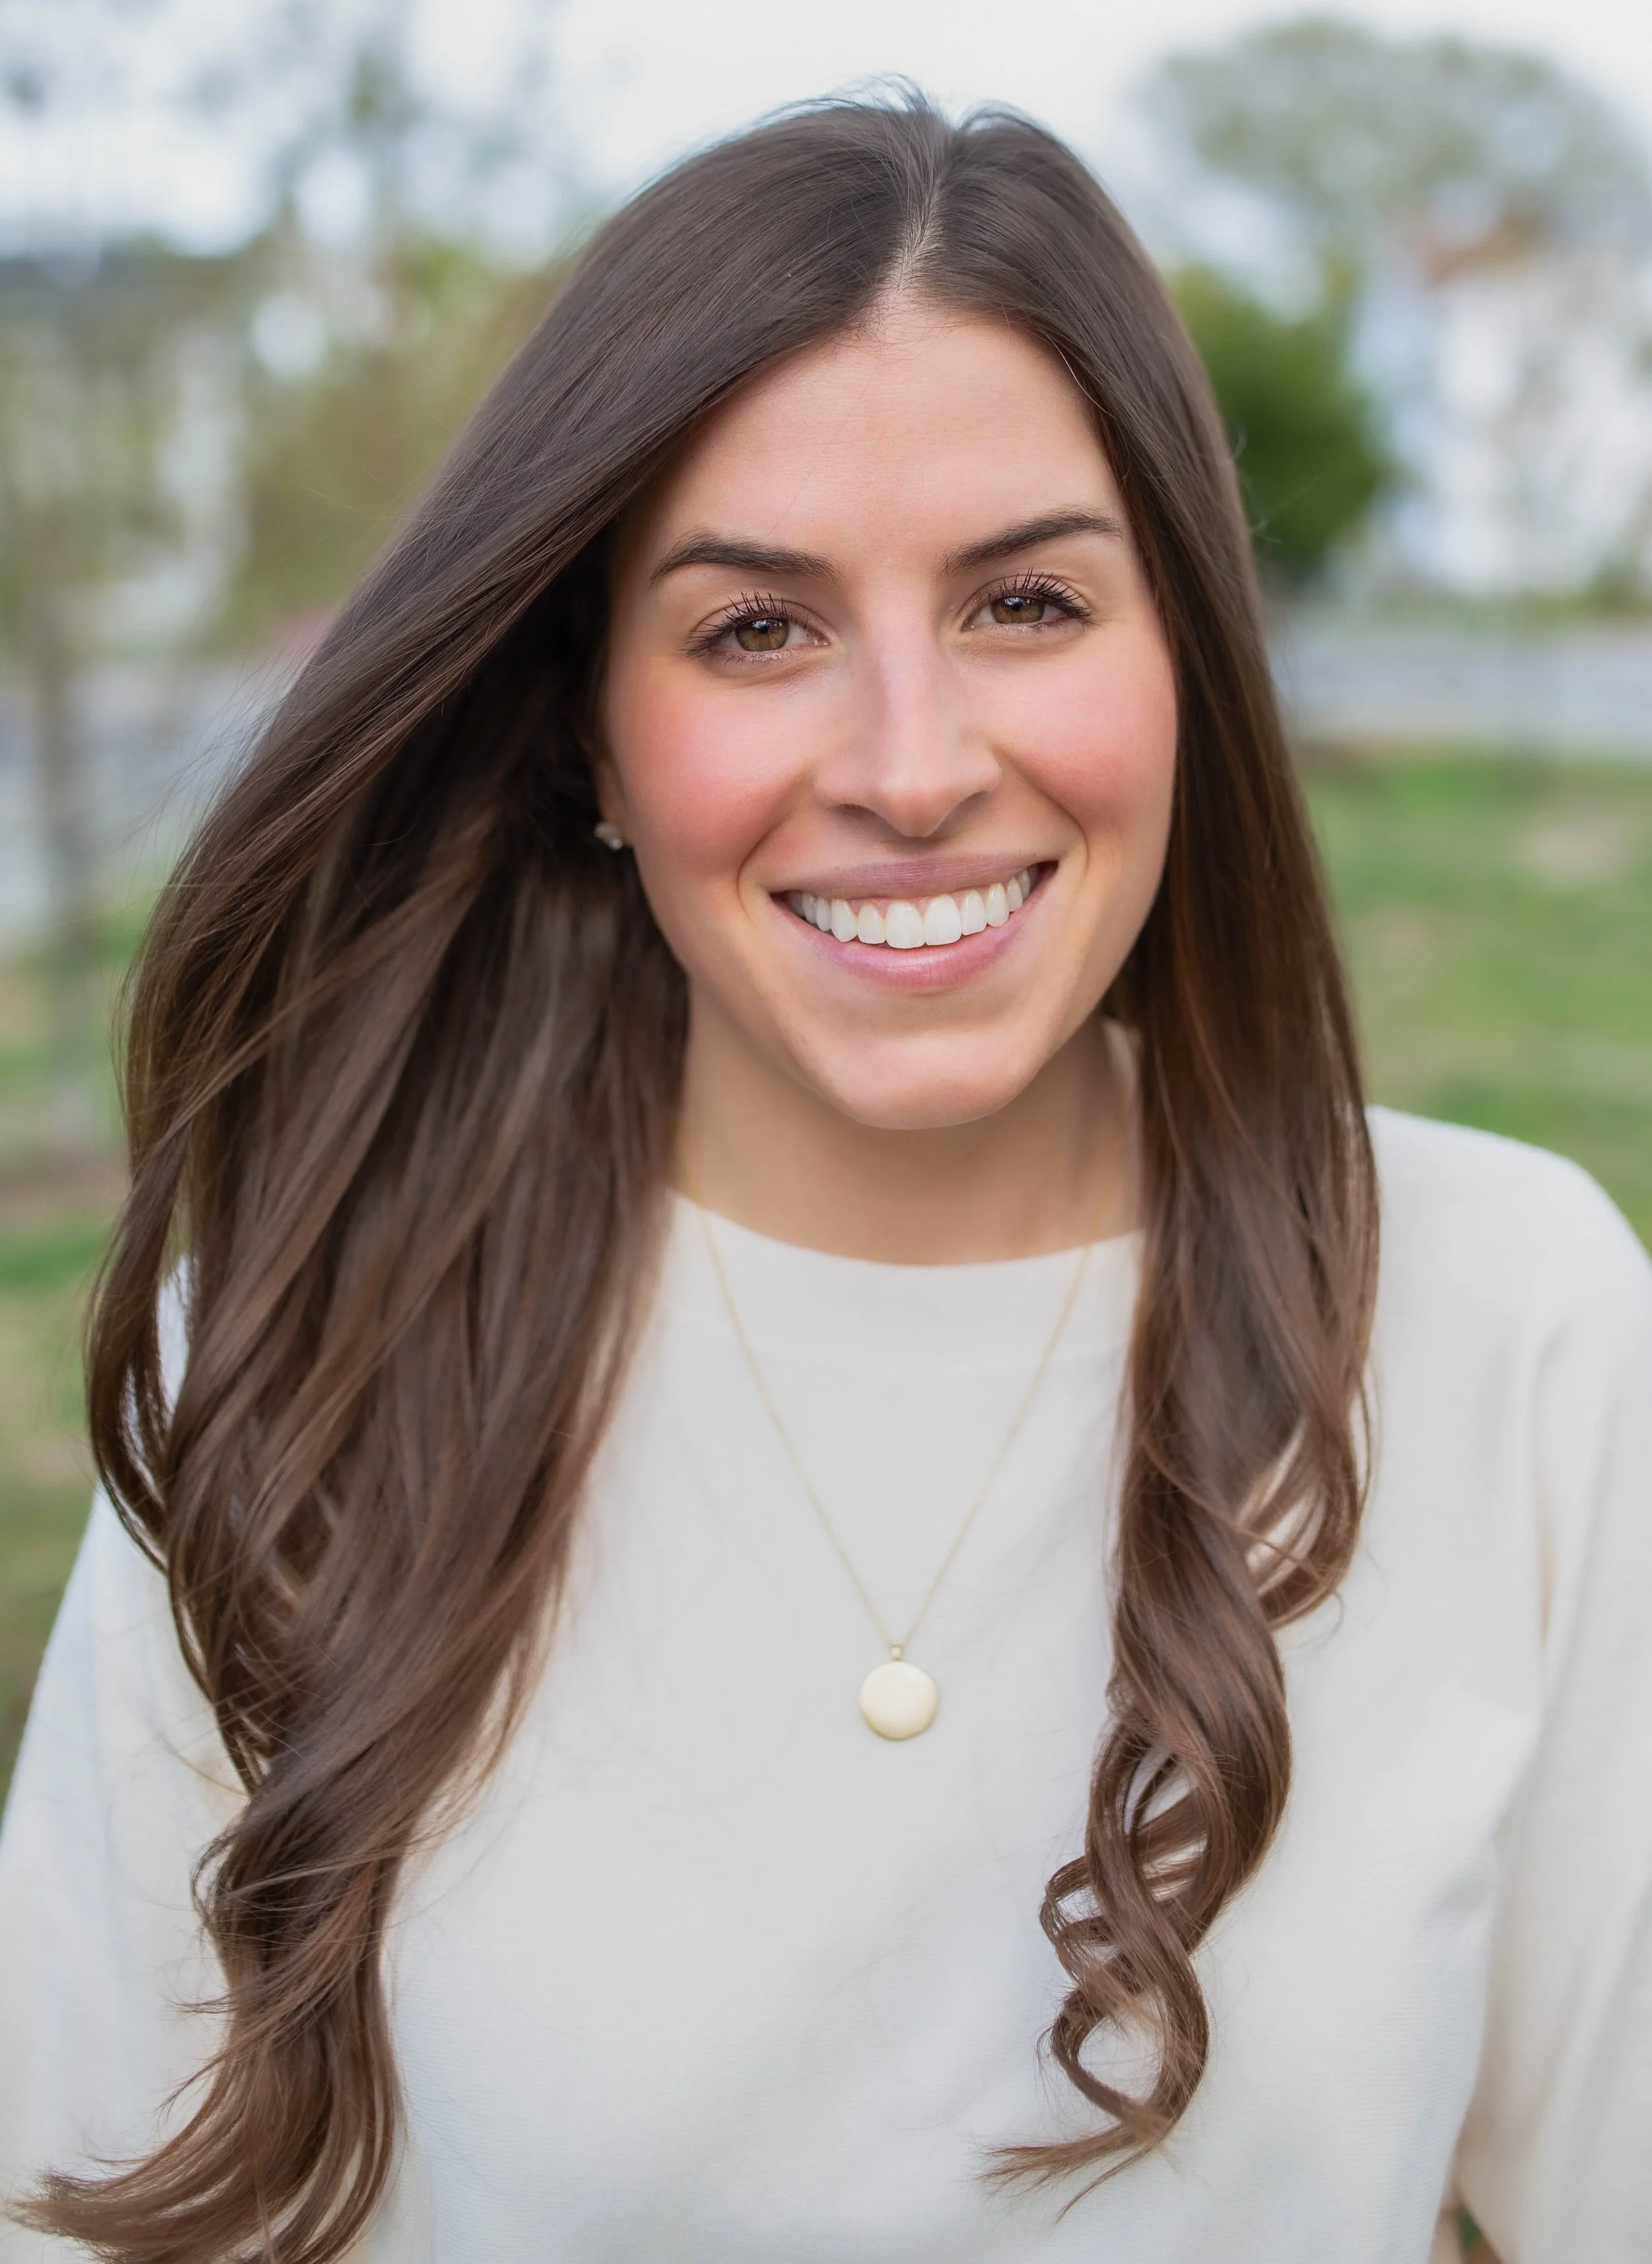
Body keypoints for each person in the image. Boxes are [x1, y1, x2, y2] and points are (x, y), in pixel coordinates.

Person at [1, 94, 1647, 2264]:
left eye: (1028, 603)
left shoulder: (1504, 1313)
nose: (906, 763)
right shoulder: (314, 1329)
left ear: (1187, 666)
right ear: (586, 725)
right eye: (755, 630)